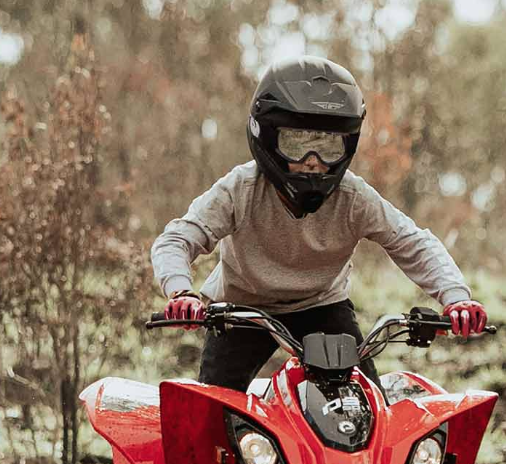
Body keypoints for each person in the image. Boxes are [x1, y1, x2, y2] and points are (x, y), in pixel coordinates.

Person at [151, 55, 487, 393]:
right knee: (213, 407)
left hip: (321, 306)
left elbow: (412, 242)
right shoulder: (240, 189)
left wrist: (455, 297)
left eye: (327, 146)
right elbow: (177, 239)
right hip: (241, 311)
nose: (312, 162)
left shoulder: (353, 196)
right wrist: (181, 292)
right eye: (296, 144)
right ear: (267, 137)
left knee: (365, 403)